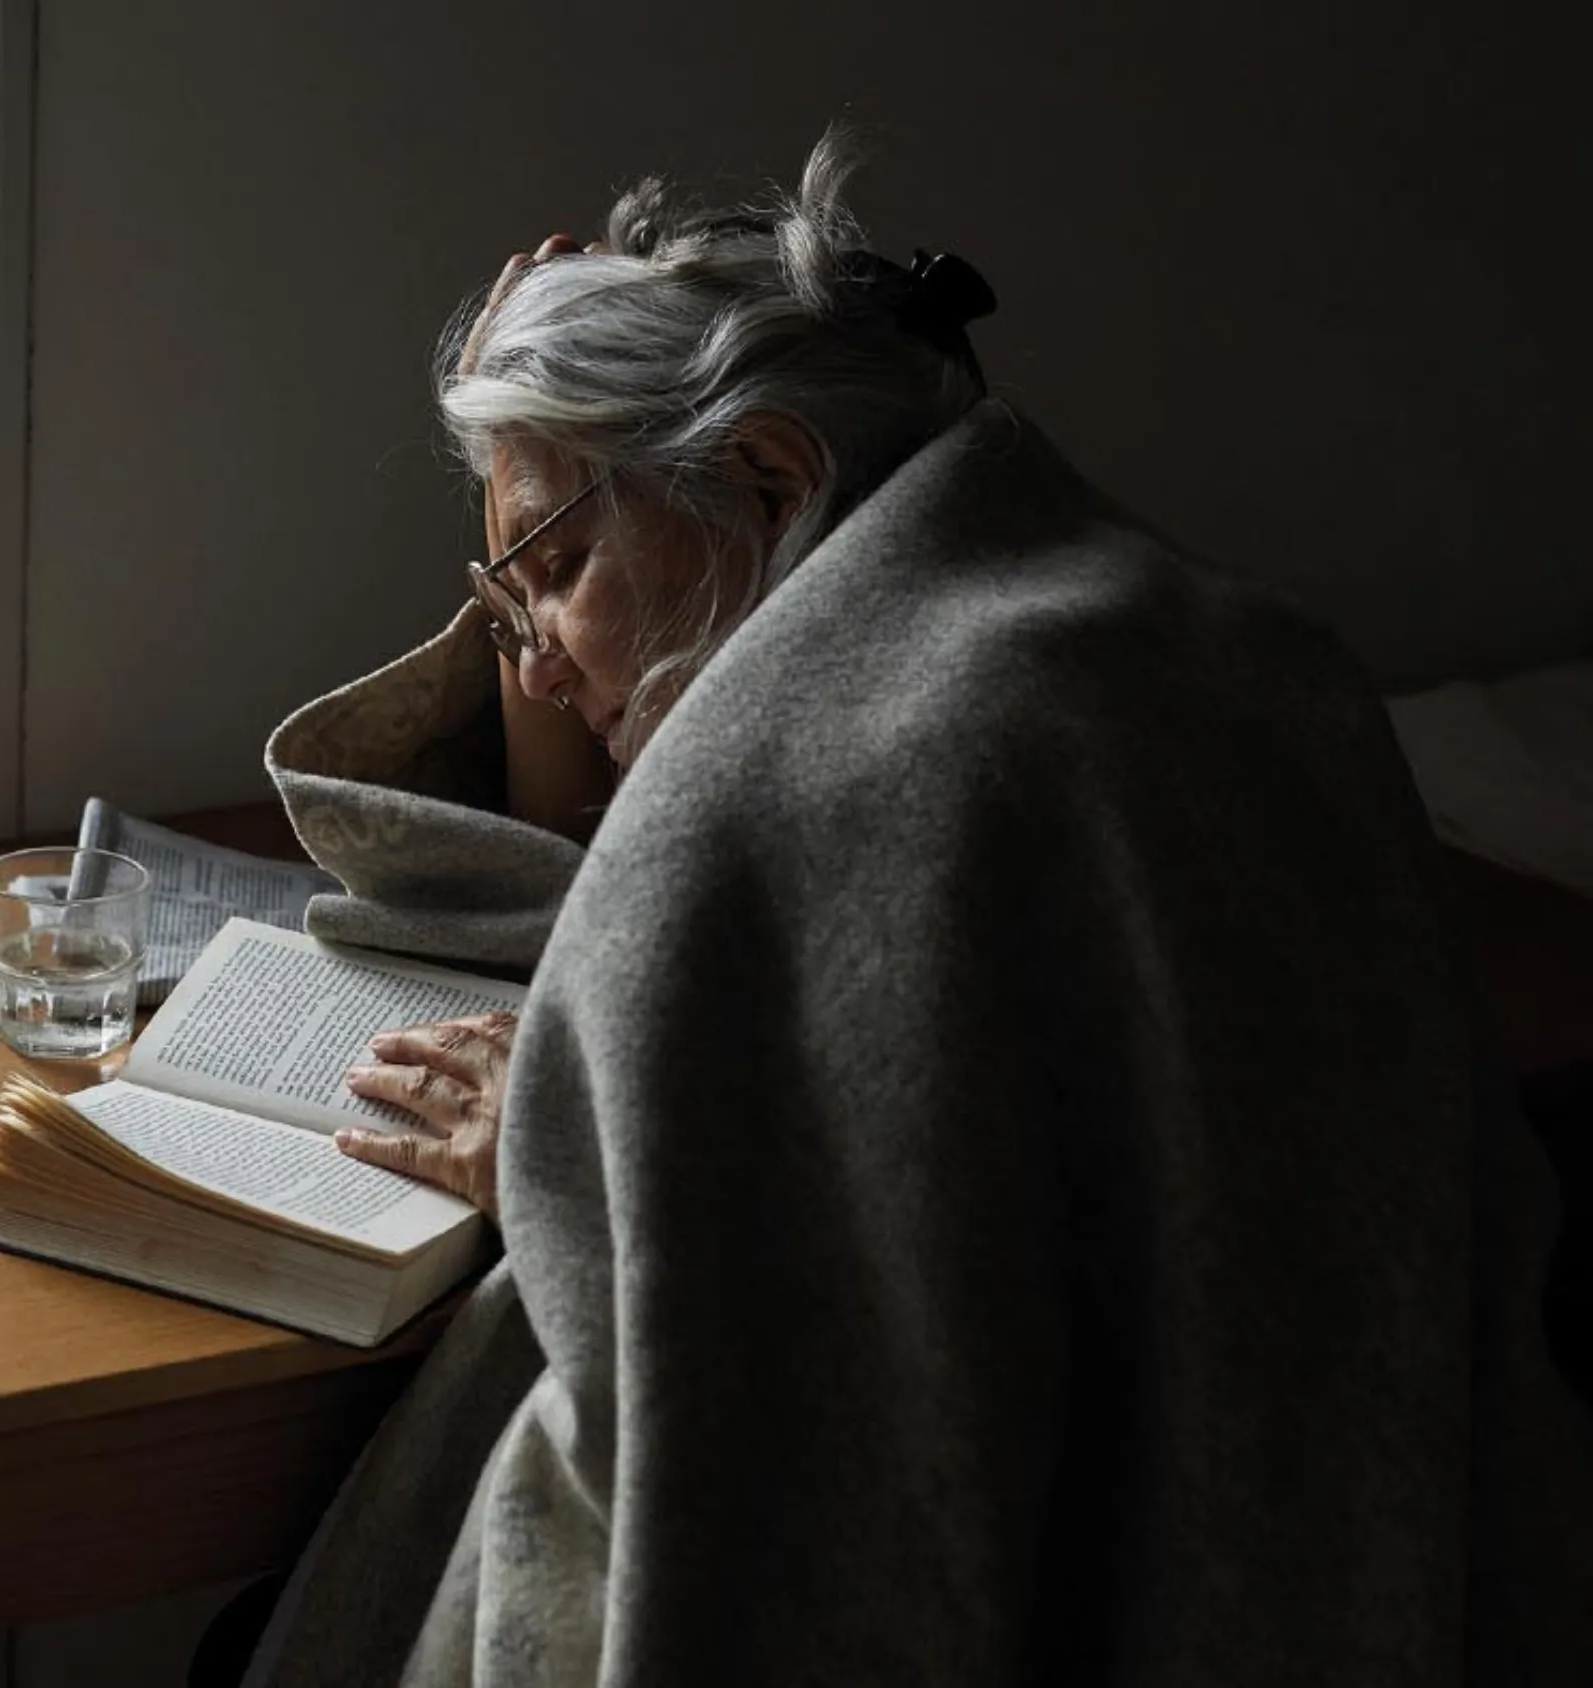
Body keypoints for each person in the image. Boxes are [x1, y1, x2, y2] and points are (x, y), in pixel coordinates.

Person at [213, 129, 1593, 1685]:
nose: (527, 664)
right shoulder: (1238, 658)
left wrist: (556, 1155)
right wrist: (541, 499)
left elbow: (804, 1395)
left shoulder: (806, 788)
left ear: (771, 474)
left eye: (556, 565)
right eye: (504, 603)